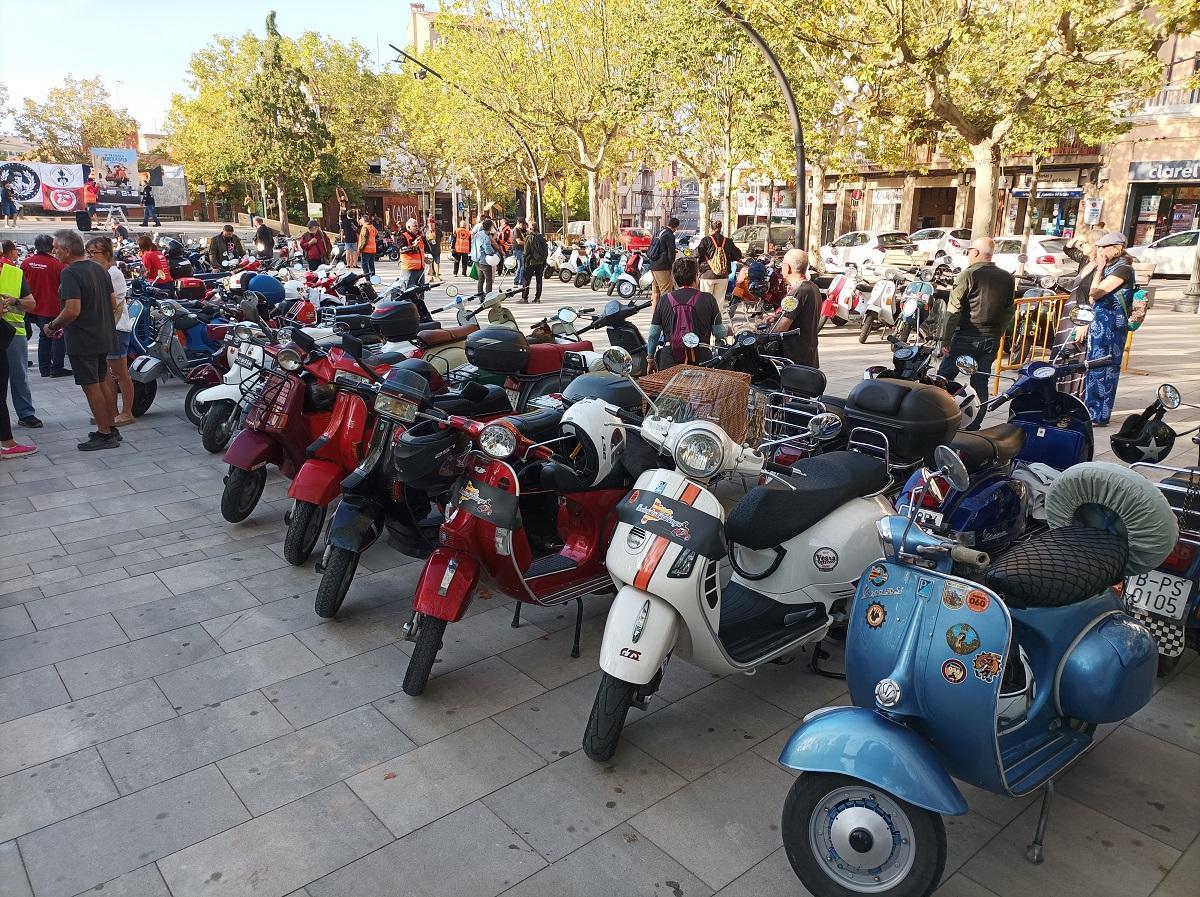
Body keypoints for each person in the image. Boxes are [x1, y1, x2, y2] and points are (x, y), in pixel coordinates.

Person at [45, 230, 119, 450]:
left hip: (83, 338)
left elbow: (72, 310)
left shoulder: (70, 273)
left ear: (67, 250)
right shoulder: (99, 269)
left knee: (91, 386)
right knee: (103, 381)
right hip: (103, 334)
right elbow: (113, 303)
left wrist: (52, 326)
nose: (54, 251)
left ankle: (104, 434)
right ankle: (111, 427)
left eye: (56, 248)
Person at [938, 237, 1015, 403]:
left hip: (965, 336)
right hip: (991, 339)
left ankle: (939, 411)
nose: (968, 254)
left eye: (969, 250)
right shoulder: (1007, 277)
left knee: (943, 379)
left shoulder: (968, 274)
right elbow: (1009, 310)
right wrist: (998, 333)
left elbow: (954, 310)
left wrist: (946, 340)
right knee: (980, 382)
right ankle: (977, 417)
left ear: (976, 252)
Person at [1084, 232, 1138, 426]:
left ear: (1117, 248)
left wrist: (1099, 269)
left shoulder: (1123, 269)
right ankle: (1091, 410)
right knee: (1094, 366)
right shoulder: (1110, 268)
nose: (1100, 251)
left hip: (1112, 326)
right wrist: (1100, 269)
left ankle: (1099, 414)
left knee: (1105, 368)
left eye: (1103, 247)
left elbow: (1096, 293)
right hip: (1100, 323)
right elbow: (1092, 297)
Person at [86, 237, 134, 427]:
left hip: (117, 328)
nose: (90, 256)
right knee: (106, 373)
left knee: (120, 373)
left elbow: (103, 300)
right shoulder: (100, 272)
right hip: (105, 329)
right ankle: (111, 412)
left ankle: (127, 412)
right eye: (88, 252)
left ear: (106, 254)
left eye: (94, 253)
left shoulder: (113, 273)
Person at [646, 257, 728, 368]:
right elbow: (718, 333)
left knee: (668, 380)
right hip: (701, 358)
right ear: (696, 276)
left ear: (674, 278)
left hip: (669, 358)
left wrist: (650, 359)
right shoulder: (708, 299)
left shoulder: (664, 300)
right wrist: (729, 330)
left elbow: (653, 334)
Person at [2, 241, 41, 430]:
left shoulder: (15, 273)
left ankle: (26, 414)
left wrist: (15, 301)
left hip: (13, 333)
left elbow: (31, 304)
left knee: (19, 375)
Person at [21, 234, 68, 379]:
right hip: (52, 306)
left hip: (33, 307)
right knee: (58, 336)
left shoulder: (26, 263)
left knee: (44, 336)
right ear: (51, 247)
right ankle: (56, 368)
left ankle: (44, 368)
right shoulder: (58, 265)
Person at [770, 248, 821, 367]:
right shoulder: (813, 287)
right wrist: (774, 318)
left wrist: (766, 335)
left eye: (782, 264)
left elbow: (781, 328)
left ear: (787, 268)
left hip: (794, 359)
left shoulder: (798, 292)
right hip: (808, 355)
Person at [696, 220, 742, 309]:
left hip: (707, 275)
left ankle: (706, 318)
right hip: (723, 275)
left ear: (711, 229)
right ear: (721, 229)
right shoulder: (728, 241)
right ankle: (717, 317)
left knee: (705, 302)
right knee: (719, 302)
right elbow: (737, 255)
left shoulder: (706, 240)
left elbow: (697, 253)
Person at [646, 217, 679, 303]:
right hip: (663, 267)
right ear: (675, 227)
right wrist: (672, 266)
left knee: (655, 293)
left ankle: (655, 311)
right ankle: (665, 311)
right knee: (666, 291)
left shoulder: (658, 232)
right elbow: (671, 254)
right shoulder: (670, 236)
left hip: (653, 265)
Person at [471, 218, 501, 295]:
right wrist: (494, 252)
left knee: (480, 279)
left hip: (476, 259)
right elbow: (488, 250)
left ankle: (480, 295)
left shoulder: (477, 234)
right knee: (488, 280)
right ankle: (488, 296)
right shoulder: (485, 237)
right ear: (490, 227)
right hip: (484, 260)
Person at [397, 217, 429, 287]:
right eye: (415, 226)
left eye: (417, 226)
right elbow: (401, 249)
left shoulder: (420, 237)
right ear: (409, 227)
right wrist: (413, 246)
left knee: (420, 291)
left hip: (421, 270)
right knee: (409, 290)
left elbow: (427, 250)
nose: (417, 228)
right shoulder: (403, 236)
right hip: (409, 270)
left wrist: (424, 237)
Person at [522, 221, 548, 304]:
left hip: (531, 261)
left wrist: (524, 259)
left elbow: (526, 251)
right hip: (540, 262)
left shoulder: (529, 237)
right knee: (539, 280)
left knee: (527, 279)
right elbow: (545, 250)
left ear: (530, 228)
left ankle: (525, 297)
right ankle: (537, 298)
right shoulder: (541, 237)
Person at [511, 218, 529, 288]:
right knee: (522, 266)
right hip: (518, 249)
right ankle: (520, 282)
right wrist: (527, 243)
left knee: (520, 266)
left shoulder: (519, 230)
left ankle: (516, 281)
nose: (524, 226)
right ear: (519, 223)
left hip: (520, 250)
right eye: (523, 224)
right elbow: (519, 241)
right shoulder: (516, 230)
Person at [424, 214, 442, 280]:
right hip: (429, 250)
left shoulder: (438, 231)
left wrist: (438, 243)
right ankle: (431, 277)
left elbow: (441, 238)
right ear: (428, 224)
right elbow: (424, 240)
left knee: (437, 263)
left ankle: (437, 276)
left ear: (434, 224)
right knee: (430, 264)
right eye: (430, 224)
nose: (431, 225)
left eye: (432, 224)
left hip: (437, 250)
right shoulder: (425, 231)